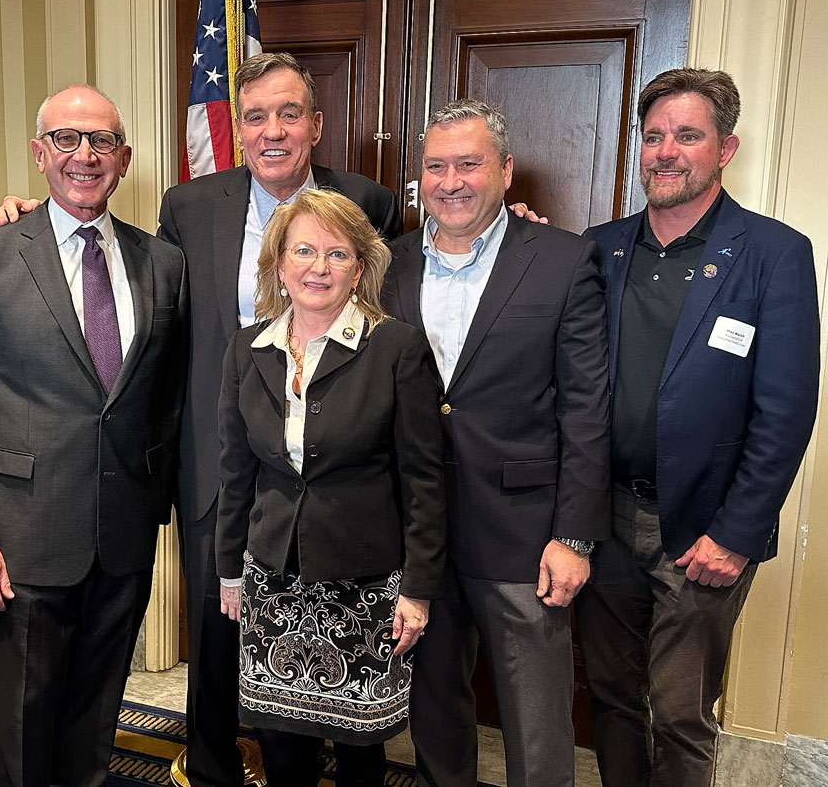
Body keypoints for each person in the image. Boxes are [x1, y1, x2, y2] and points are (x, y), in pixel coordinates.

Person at [0, 52, 401, 787]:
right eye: (255, 117)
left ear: (317, 123)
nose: (272, 131)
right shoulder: (190, 205)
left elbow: (405, 298)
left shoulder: (368, 201)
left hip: (338, 469)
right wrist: (31, 222)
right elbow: (133, 292)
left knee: (333, 632)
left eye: (289, 113)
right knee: (218, 635)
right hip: (220, 462)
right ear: (237, 130)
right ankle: (214, 766)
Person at [0, 84, 189, 787]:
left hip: (124, 536)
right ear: (39, 153)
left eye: (102, 141)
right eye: (68, 139)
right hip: (19, 538)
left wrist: (156, 503)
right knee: (21, 725)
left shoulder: (162, 263)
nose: (85, 155)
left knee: (95, 718)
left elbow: (163, 400)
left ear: (124, 157)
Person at [574, 68, 819, 787]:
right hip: (606, 518)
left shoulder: (775, 254)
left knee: (681, 714)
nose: (666, 151)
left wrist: (739, 534)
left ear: (725, 148)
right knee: (613, 700)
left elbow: (786, 410)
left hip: (704, 532)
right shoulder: (599, 247)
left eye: (687, 135)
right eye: (653, 136)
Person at [381, 98, 611, 787]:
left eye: (470, 164)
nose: (451, 181)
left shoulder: (564, 261)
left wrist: (574, 536)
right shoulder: (384, 264)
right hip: (414, 531)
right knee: (435, 708)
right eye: (435, 167)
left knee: (536, 720)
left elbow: (587, 408)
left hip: (525, 532)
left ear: (506, 171)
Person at [216, 188, 446, 787]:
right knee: (281, 749)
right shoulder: (247, 350)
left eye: (337, 254)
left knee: (360, 757)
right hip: (272, 582)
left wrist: (418, 591)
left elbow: (424, 480)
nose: (319, 267)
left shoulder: (396, 348)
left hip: (364, 587)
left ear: (360, 269)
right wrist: (230, 572)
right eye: (305, 251)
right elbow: (235, 471)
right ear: (279, 264)